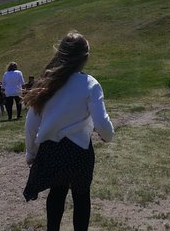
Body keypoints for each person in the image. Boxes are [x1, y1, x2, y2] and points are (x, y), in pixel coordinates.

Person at [23, 31, 114, 231]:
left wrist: (31, 153)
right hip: (80, 152)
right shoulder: (90, 84)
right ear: (85, 58)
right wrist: (108, 136)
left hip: (52, 151)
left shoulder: (47, 83)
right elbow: (102, 124)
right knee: (82, 197)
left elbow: (31, 124)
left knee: (56, 193)